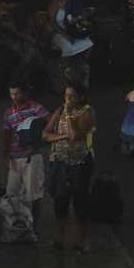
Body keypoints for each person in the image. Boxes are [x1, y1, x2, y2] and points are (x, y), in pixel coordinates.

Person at [45, 84, 96, 252]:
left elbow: (75, 136)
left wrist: (68, 114)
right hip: (61, 162)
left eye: (72, 96)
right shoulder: (59, 111)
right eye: (66, 95)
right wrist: (60, 137)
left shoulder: (86, 112)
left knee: (80, 201)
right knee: (61, 201)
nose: (68, 100)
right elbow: (45, 133)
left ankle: (84, 240)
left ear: (81, 97)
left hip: (80, 163)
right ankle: (61, 237)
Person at [2, 83, 49, 216]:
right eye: (12, 94)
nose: (14, 97)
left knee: (34, 195)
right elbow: (6, 136)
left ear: (25, 93)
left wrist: (40, 143)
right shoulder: (8, 113)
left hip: (32, 156)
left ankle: (34, 228)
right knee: (11, 194)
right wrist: (5, 155)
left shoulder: (36, 108)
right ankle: (14, 225)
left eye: (17, 93)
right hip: (14, 159)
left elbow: (50, 124)